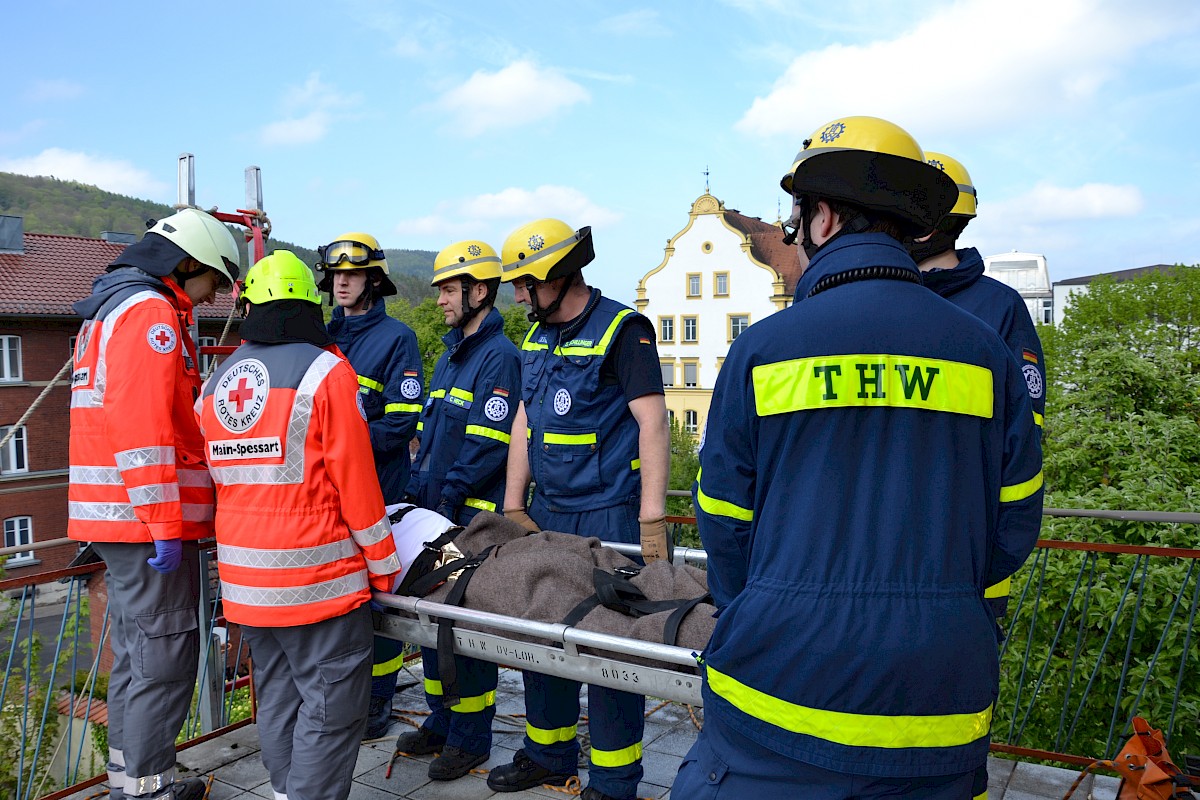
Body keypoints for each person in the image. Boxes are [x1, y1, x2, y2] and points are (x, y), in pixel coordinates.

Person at [673, 116, 1044, 799]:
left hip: (778, 693)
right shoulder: (986, 352)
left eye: (798, 218)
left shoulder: (764, 350)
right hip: (938, 698)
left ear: (825, 218)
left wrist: (767, 604)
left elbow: (723, 518)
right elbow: (1016, 521)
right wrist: (945, 600)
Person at [197, 250, 402, 800]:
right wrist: (384, 569)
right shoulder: (328, 372)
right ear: (309, 305)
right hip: (318, 586)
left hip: (246, 586)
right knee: (331, 713)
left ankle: (286, 791)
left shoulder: (216, 384)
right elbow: (356, 485)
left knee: (280, 699)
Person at [486, 219, 671, 800]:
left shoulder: (623, 329)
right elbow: (523, 420)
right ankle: (547, 751)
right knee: (541, 638)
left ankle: (615, 781)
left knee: (611, 649)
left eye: (523, 284)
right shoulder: (536, 338)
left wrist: (651, 522)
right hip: (548, 516)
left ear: (556, 276)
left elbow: (653, 421)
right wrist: (514, 503)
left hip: (608, 516)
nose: (516, 296)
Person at [68, 207, 240, 800]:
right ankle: (146, 790)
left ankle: (134, 780)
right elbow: (141, 430)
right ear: (187, 264)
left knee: (138, 660)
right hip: (145, 526)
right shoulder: (151, 314)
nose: (212, 296)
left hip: (119, 521)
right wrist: (165, 523)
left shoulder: (112, 308)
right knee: (162, 662)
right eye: (213, 281)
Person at [395, 240, 521, 780]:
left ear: (480, 291)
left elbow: (488, 443)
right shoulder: (450, 354)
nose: (442, 299)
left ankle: (470, 738)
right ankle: (443, 721)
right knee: (432, 626)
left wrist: (445, 502)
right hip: (437, 513)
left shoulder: (500, 358)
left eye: (449, 289)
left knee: (463, 635)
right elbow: (427, 434)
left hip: (470, 521)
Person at [910, 150, 1047, 624]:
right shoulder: (879, 298)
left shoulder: (1000, 307)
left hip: (969, 564)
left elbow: (1026, 441)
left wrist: (989, 559)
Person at [317, 231, 423, 739]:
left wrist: (341, 442)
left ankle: (376, 704)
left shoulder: (396, 338)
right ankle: (341, 698)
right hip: (325, 500)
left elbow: (402, 422)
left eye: (353, 274)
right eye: (336, 274)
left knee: (378, 601)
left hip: (378, 493)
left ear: (373, 280)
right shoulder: (320, 336)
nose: (342, 282)